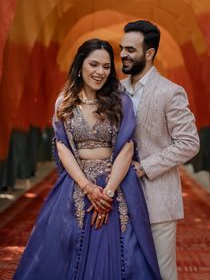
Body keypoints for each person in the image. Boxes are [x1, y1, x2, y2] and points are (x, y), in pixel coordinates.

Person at [13, 38, 161, 280]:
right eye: (94, 64)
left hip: (118, 185)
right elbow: (63, 147)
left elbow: (126, 147)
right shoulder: (65, 103)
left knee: (125, 251)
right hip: (76, 184)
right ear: (80, 64)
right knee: (62, 246)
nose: (100, 72)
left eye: (106, 67)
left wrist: (108, 193)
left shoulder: (120, 101)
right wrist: (87, 187)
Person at [120, 20, 200, 280]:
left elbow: (189, 142)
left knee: (162, 273)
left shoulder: (170, 92)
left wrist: (145, 167)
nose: (123, 54)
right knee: (123, 268)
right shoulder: (114, 90)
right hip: (117, 196)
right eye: (122, 48)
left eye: (131, 49)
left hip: (158, 198)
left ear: (150, 53)